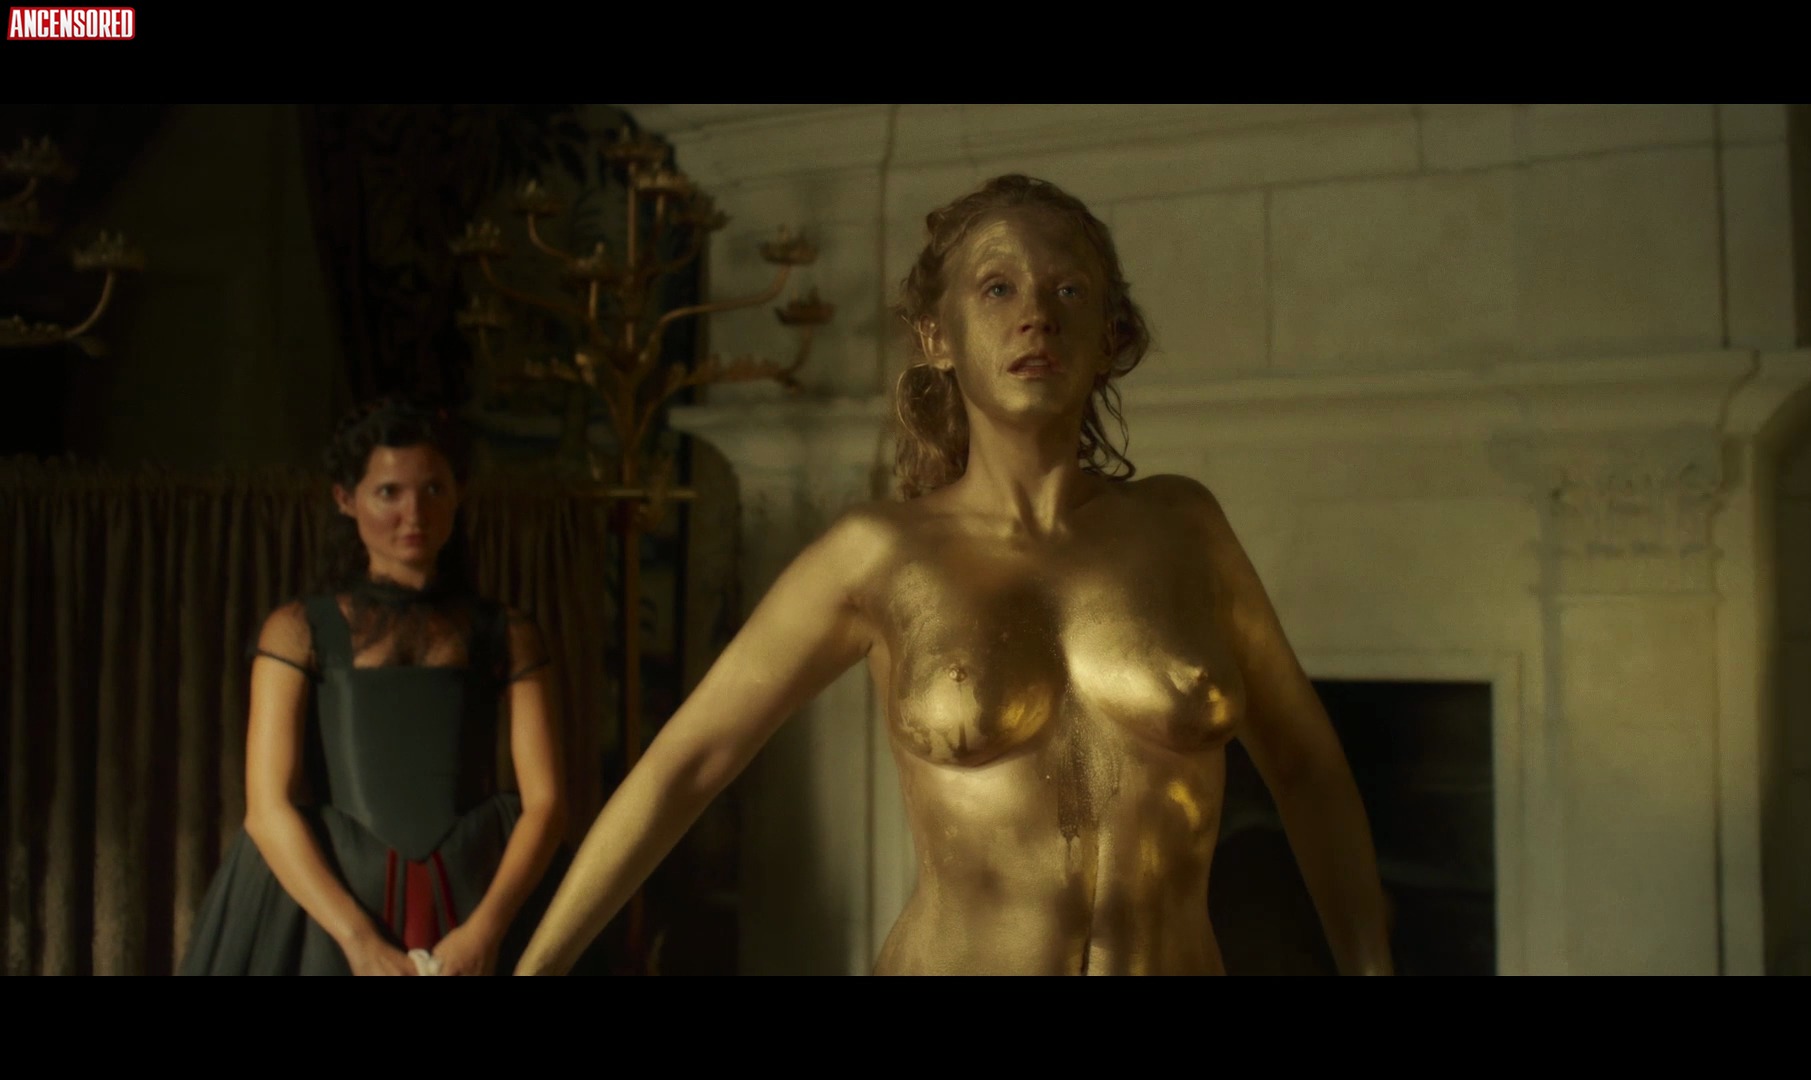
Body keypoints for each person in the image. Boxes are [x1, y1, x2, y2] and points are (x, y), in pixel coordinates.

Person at [516, 174, 1392, 975]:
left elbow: (1307, 769)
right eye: (997, 287)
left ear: (1112, 335)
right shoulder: (876, 552)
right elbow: (688, 764)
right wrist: (537, 968)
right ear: (937, 336)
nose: (1035, 315)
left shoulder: (1185, 527)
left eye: (1069, 290)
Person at [179, 395, 566, 975]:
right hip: (325, 912)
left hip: (482, 895)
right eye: (389, 492)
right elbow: (267, 808)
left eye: (432, 489)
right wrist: (359, 941)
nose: (414, 513)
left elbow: (547, 803)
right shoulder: (297, 630)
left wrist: (485, 931)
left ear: (457, 493)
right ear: (345, 498)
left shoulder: (506, 632)